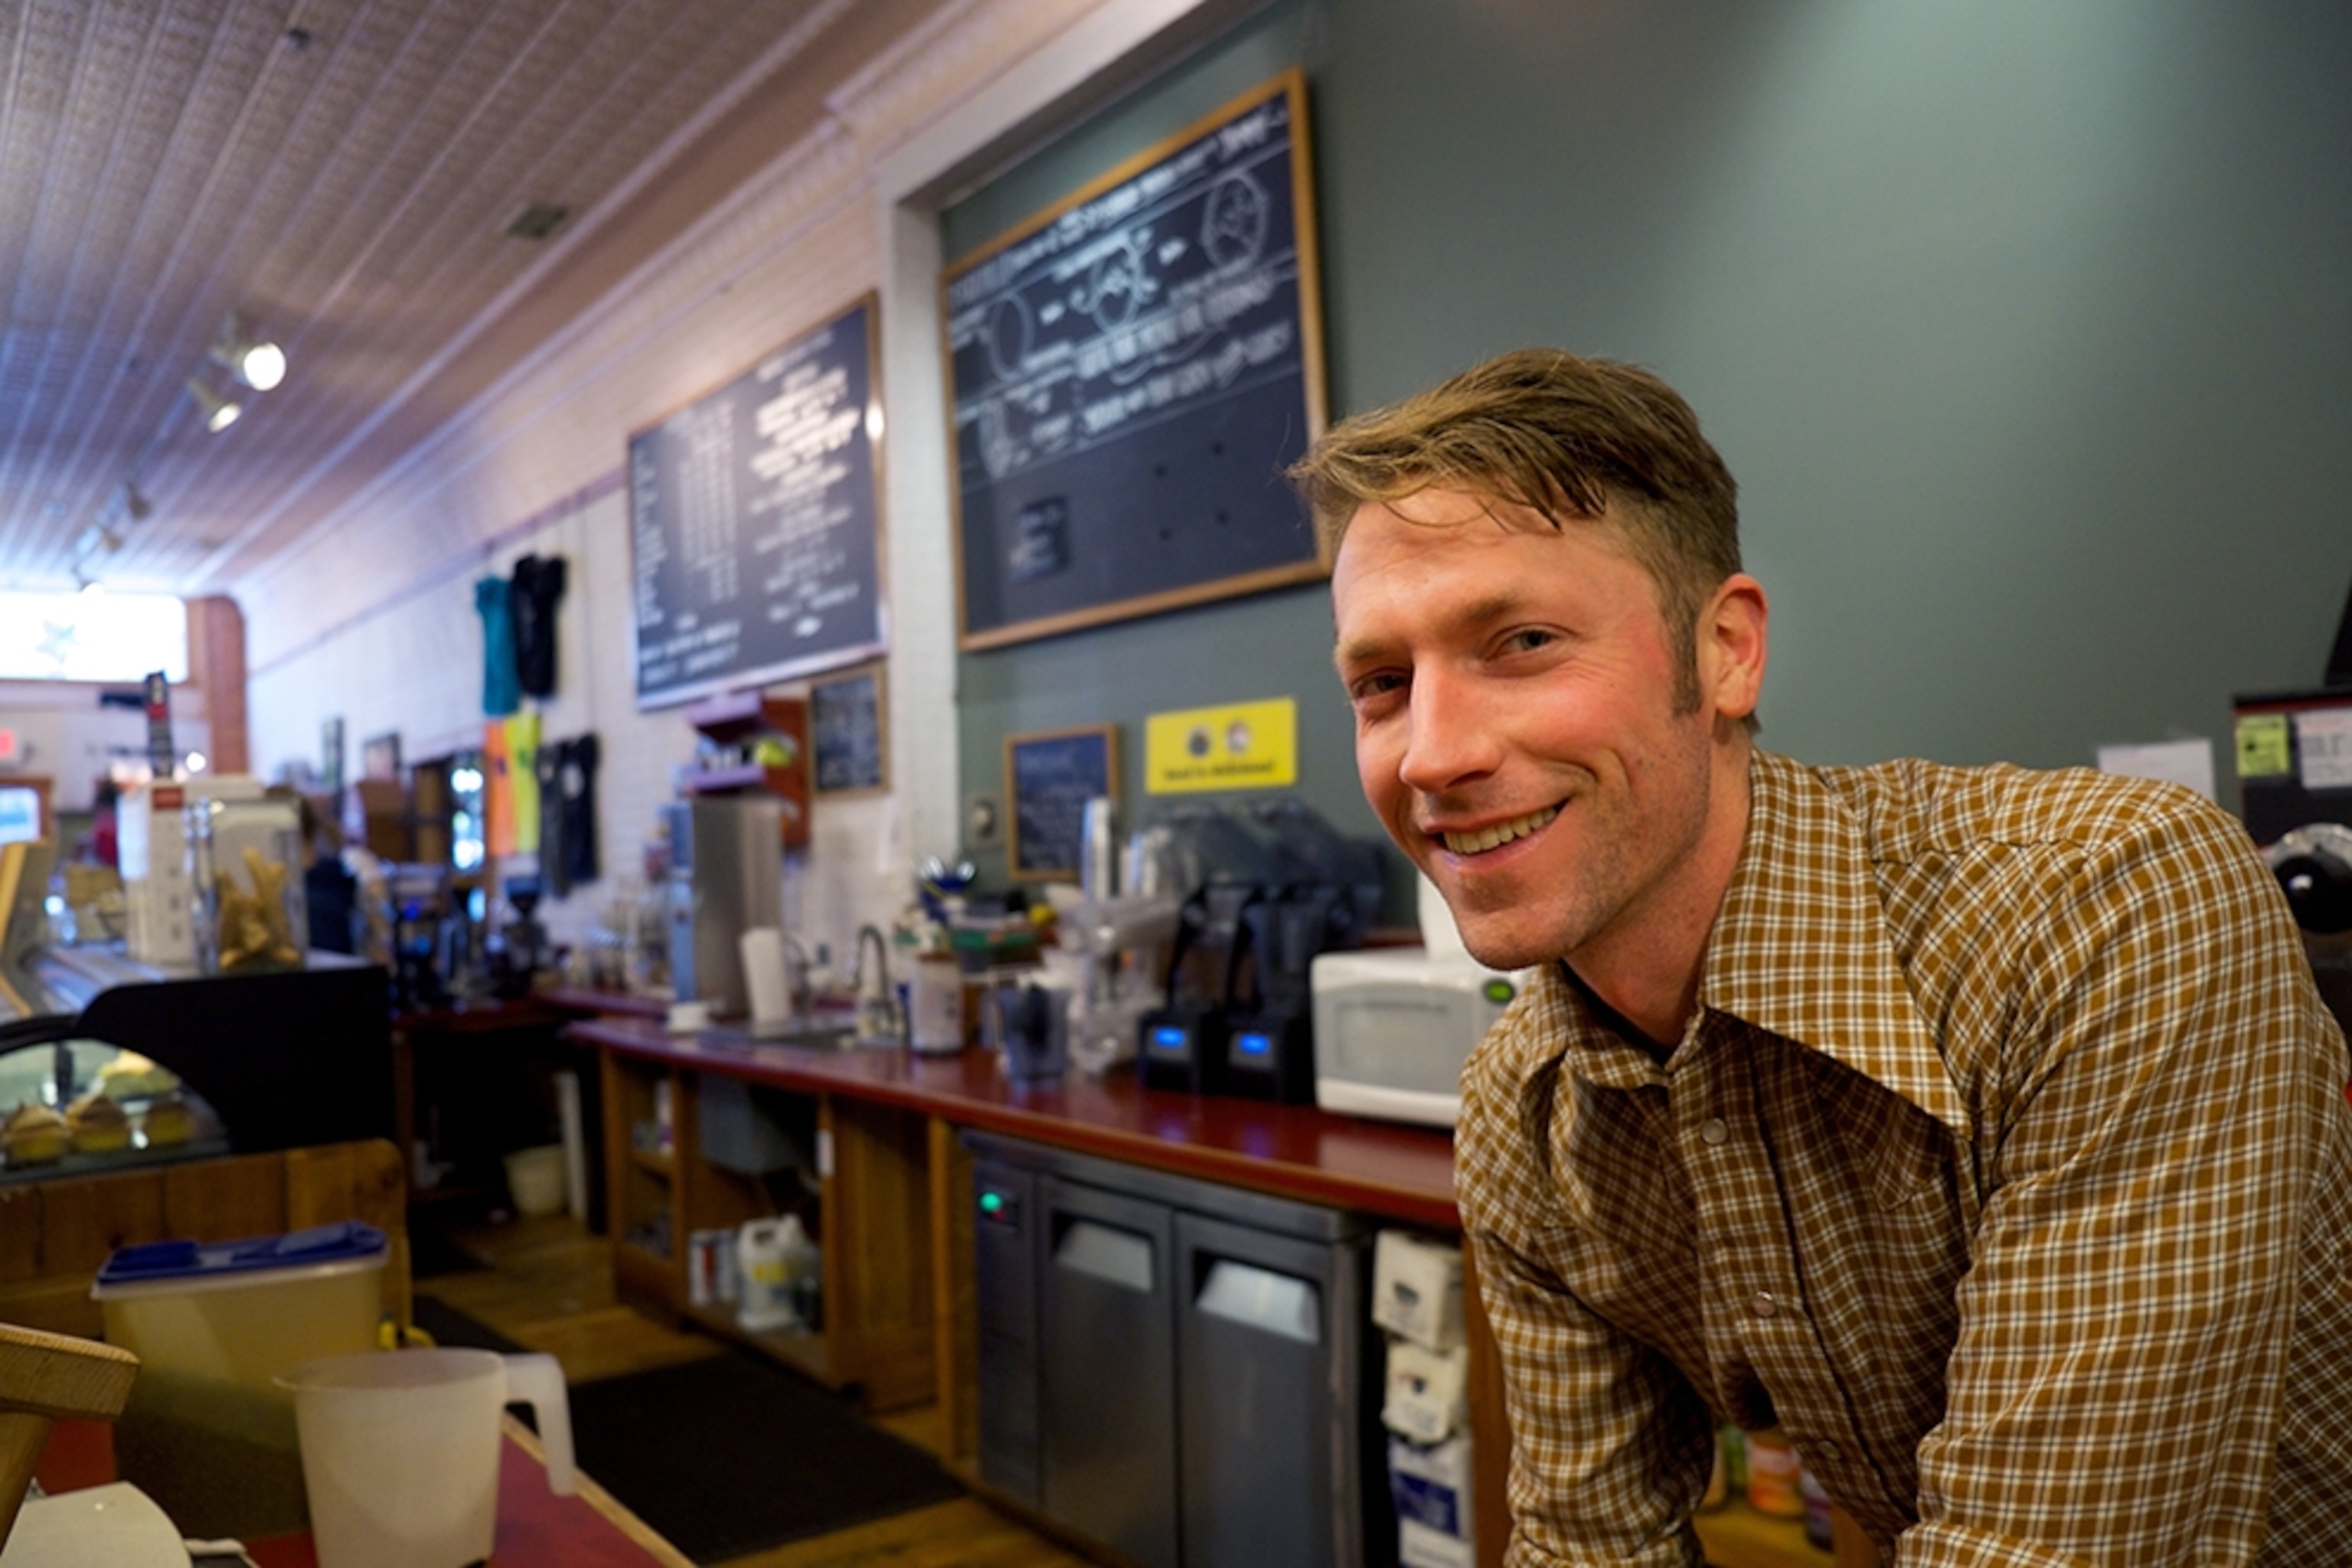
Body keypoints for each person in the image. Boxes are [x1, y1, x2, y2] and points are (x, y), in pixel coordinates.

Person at [1292, 348, 2352, 1564]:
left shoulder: (2103, 913)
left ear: (1728, 651)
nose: (1430, 754)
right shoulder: (1523, 1111)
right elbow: (1587, 1544)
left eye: (1522, 641)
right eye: (1381, 682)